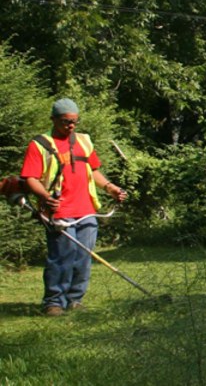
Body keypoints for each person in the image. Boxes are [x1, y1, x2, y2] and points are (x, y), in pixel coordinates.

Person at [20, 98, 128, 316]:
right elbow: (30, 177)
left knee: (83, 258)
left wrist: (110, 187)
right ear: (53, 119)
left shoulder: (84, 141)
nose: (70, 126)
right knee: (61, 258)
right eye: (65, 121)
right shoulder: (40, 144)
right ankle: (54, 303)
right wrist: (44, 196)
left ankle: (75, 300)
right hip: (58, 211)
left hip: (86, 209)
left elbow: (93, 170)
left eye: (74, 121)